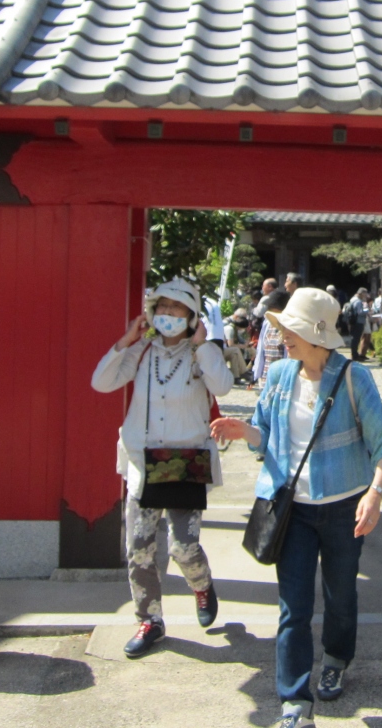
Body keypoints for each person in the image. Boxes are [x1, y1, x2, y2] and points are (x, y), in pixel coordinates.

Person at [211, 287, 382, 728]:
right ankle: (295, 702)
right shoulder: (278, 375)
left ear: (316, 334)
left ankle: (335, 659)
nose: (282, 338)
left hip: (344, 507)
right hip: (291, 509)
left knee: (340, 595)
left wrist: (375, 493)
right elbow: (265, 436)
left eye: (289, 331)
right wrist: (244, 431)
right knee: (292, 607)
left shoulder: (353, 378)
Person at [91, 278, 234, 658]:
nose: (169, 313)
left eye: (177, 308)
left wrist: (203, 345)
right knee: (139, 548)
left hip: (186, 461)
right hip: (144, 461)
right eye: (163, 307)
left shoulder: (201, 353)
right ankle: (149, 620)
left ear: (192, 315)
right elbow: (101, 382)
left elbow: (223, 386)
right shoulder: (141, 351)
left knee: (183, 547)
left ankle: (201, 585)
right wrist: (126, 340)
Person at [254, 289, 291, 384]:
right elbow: (261, 350)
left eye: (272, 307)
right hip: (266, 376)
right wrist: (257, 374)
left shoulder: (288, 326)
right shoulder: (267, 323)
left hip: (281, 378)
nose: (269, 310)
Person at [224, 307, 255, 382]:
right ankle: (244, 371)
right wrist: (243, 346)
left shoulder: (234, 328)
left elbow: (238, 339)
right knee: (235, 350)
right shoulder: (229, 328)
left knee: (234, 355)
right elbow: (230, 344)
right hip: (221, 349)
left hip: (226, 349)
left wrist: (246, 343)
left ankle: (236, 377)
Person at [345, 288, 370, 362]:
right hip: (358, 322)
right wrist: (367, 310)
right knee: (356, 339)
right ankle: (355, 355)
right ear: (361, 293)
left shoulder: (353, 300)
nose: (366, 295)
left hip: (353, 321)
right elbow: (360, 312)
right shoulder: (358, 302)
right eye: (365, 293)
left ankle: (354, 354)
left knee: (354, 338)